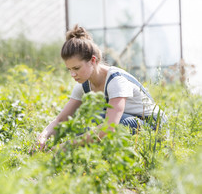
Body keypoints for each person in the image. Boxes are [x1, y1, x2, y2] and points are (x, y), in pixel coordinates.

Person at [37, 25, 167, 150]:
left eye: (76, 68)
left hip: (152, 126)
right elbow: (61, 119)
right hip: (125, 120)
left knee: (106, 122)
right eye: (69, 69)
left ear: (93, 60)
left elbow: (110, 127)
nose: (72, 74)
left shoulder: (116, 81)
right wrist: (43, 136)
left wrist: (67, 146)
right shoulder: (83, 85)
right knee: (81, 121)